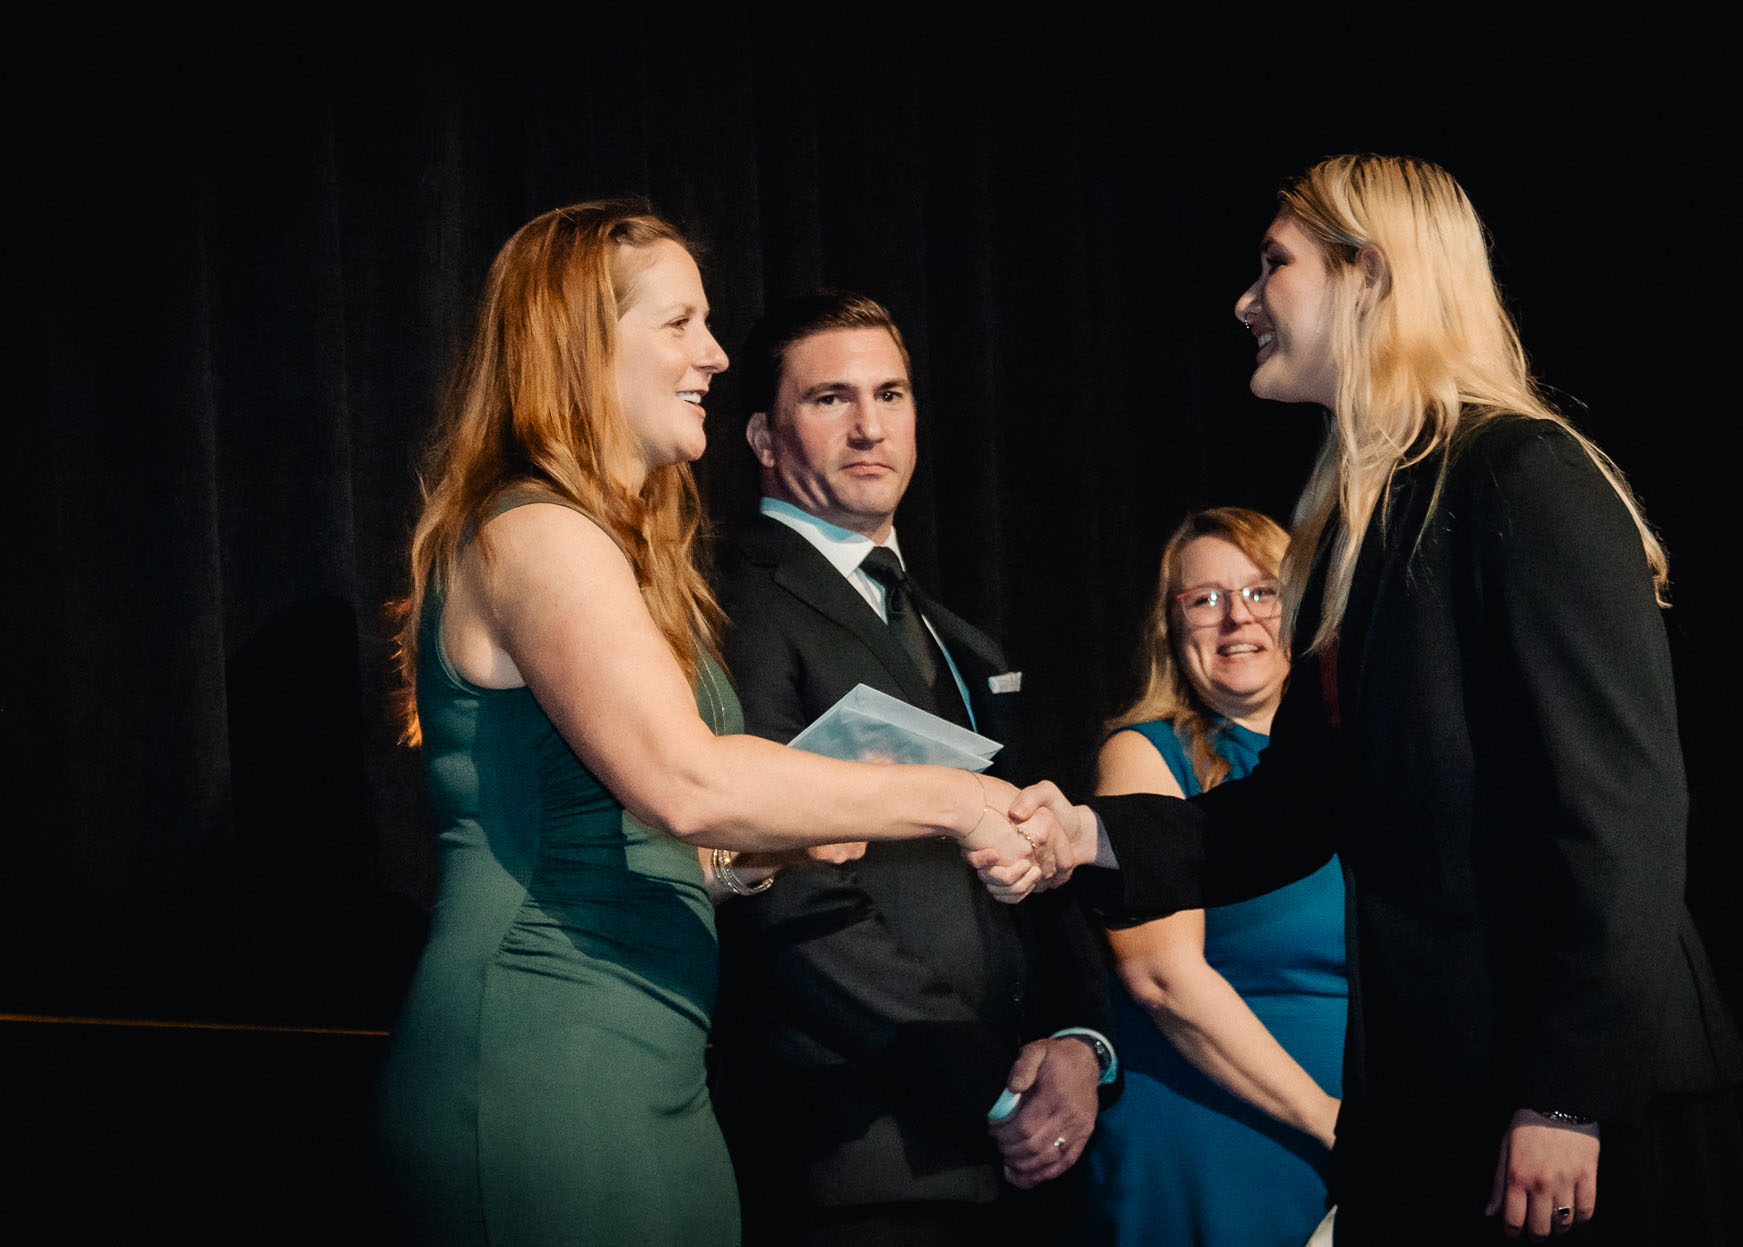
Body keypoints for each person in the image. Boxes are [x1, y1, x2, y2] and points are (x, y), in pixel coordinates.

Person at [996, 156, 1743, 1243]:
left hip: (1570, 1111)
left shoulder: (1522, 476)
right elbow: (1287, 809)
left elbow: (1619, 815)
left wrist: (1565, 1092)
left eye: (1273, 264)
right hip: (1433, 1104)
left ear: (1369, 275)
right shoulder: (1357, 530)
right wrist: (1087, 838)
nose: (1244, 302)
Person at [376, 205, 1052, 1247]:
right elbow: (685, 783)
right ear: (581, 343)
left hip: (652, 1055)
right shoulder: (534, 531)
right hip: (545, 1049)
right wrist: (959, 800)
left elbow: (673, 837)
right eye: (680, 323)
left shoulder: (609, 547)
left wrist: (754, 859)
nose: (716, 354)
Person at [711, 290, 1118, 1246]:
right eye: (832, 398)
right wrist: (988, 1083)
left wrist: (1078, 1043)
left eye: (890, 394)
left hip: (1018, 1154)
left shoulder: (963, 638)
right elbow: (777, 883)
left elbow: (1040, 851)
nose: (870, 426)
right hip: (858, 1148)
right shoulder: (730, 601)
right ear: (763, 437)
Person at [1081, 507, 1347, 1247]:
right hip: (1224, 1137)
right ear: (1171, 628)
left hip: (1371, 1133)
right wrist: (1330, 1120)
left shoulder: (1353, 757)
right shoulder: (1145, 754)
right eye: (1205, 599)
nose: (1238, 618)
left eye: (1264, 591)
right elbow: (1163, 977)